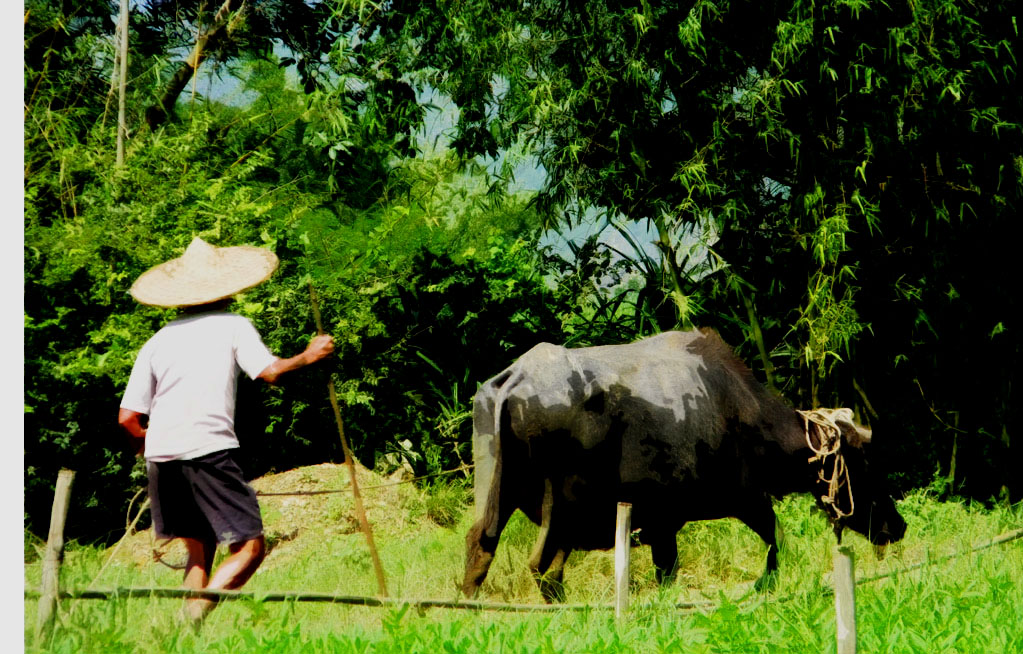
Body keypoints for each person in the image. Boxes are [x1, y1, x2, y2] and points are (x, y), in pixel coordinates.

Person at [117, 237, 334, 625]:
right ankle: (195, 616)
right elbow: (268, 372)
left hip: (161, 454)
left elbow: (128, 418)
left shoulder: (157, 340)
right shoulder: (233, 325)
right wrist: (309, 355)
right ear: (227, 288)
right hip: (207, 449)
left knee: (199, 551)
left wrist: (146, 446)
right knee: (250, 547)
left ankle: (187, 639)